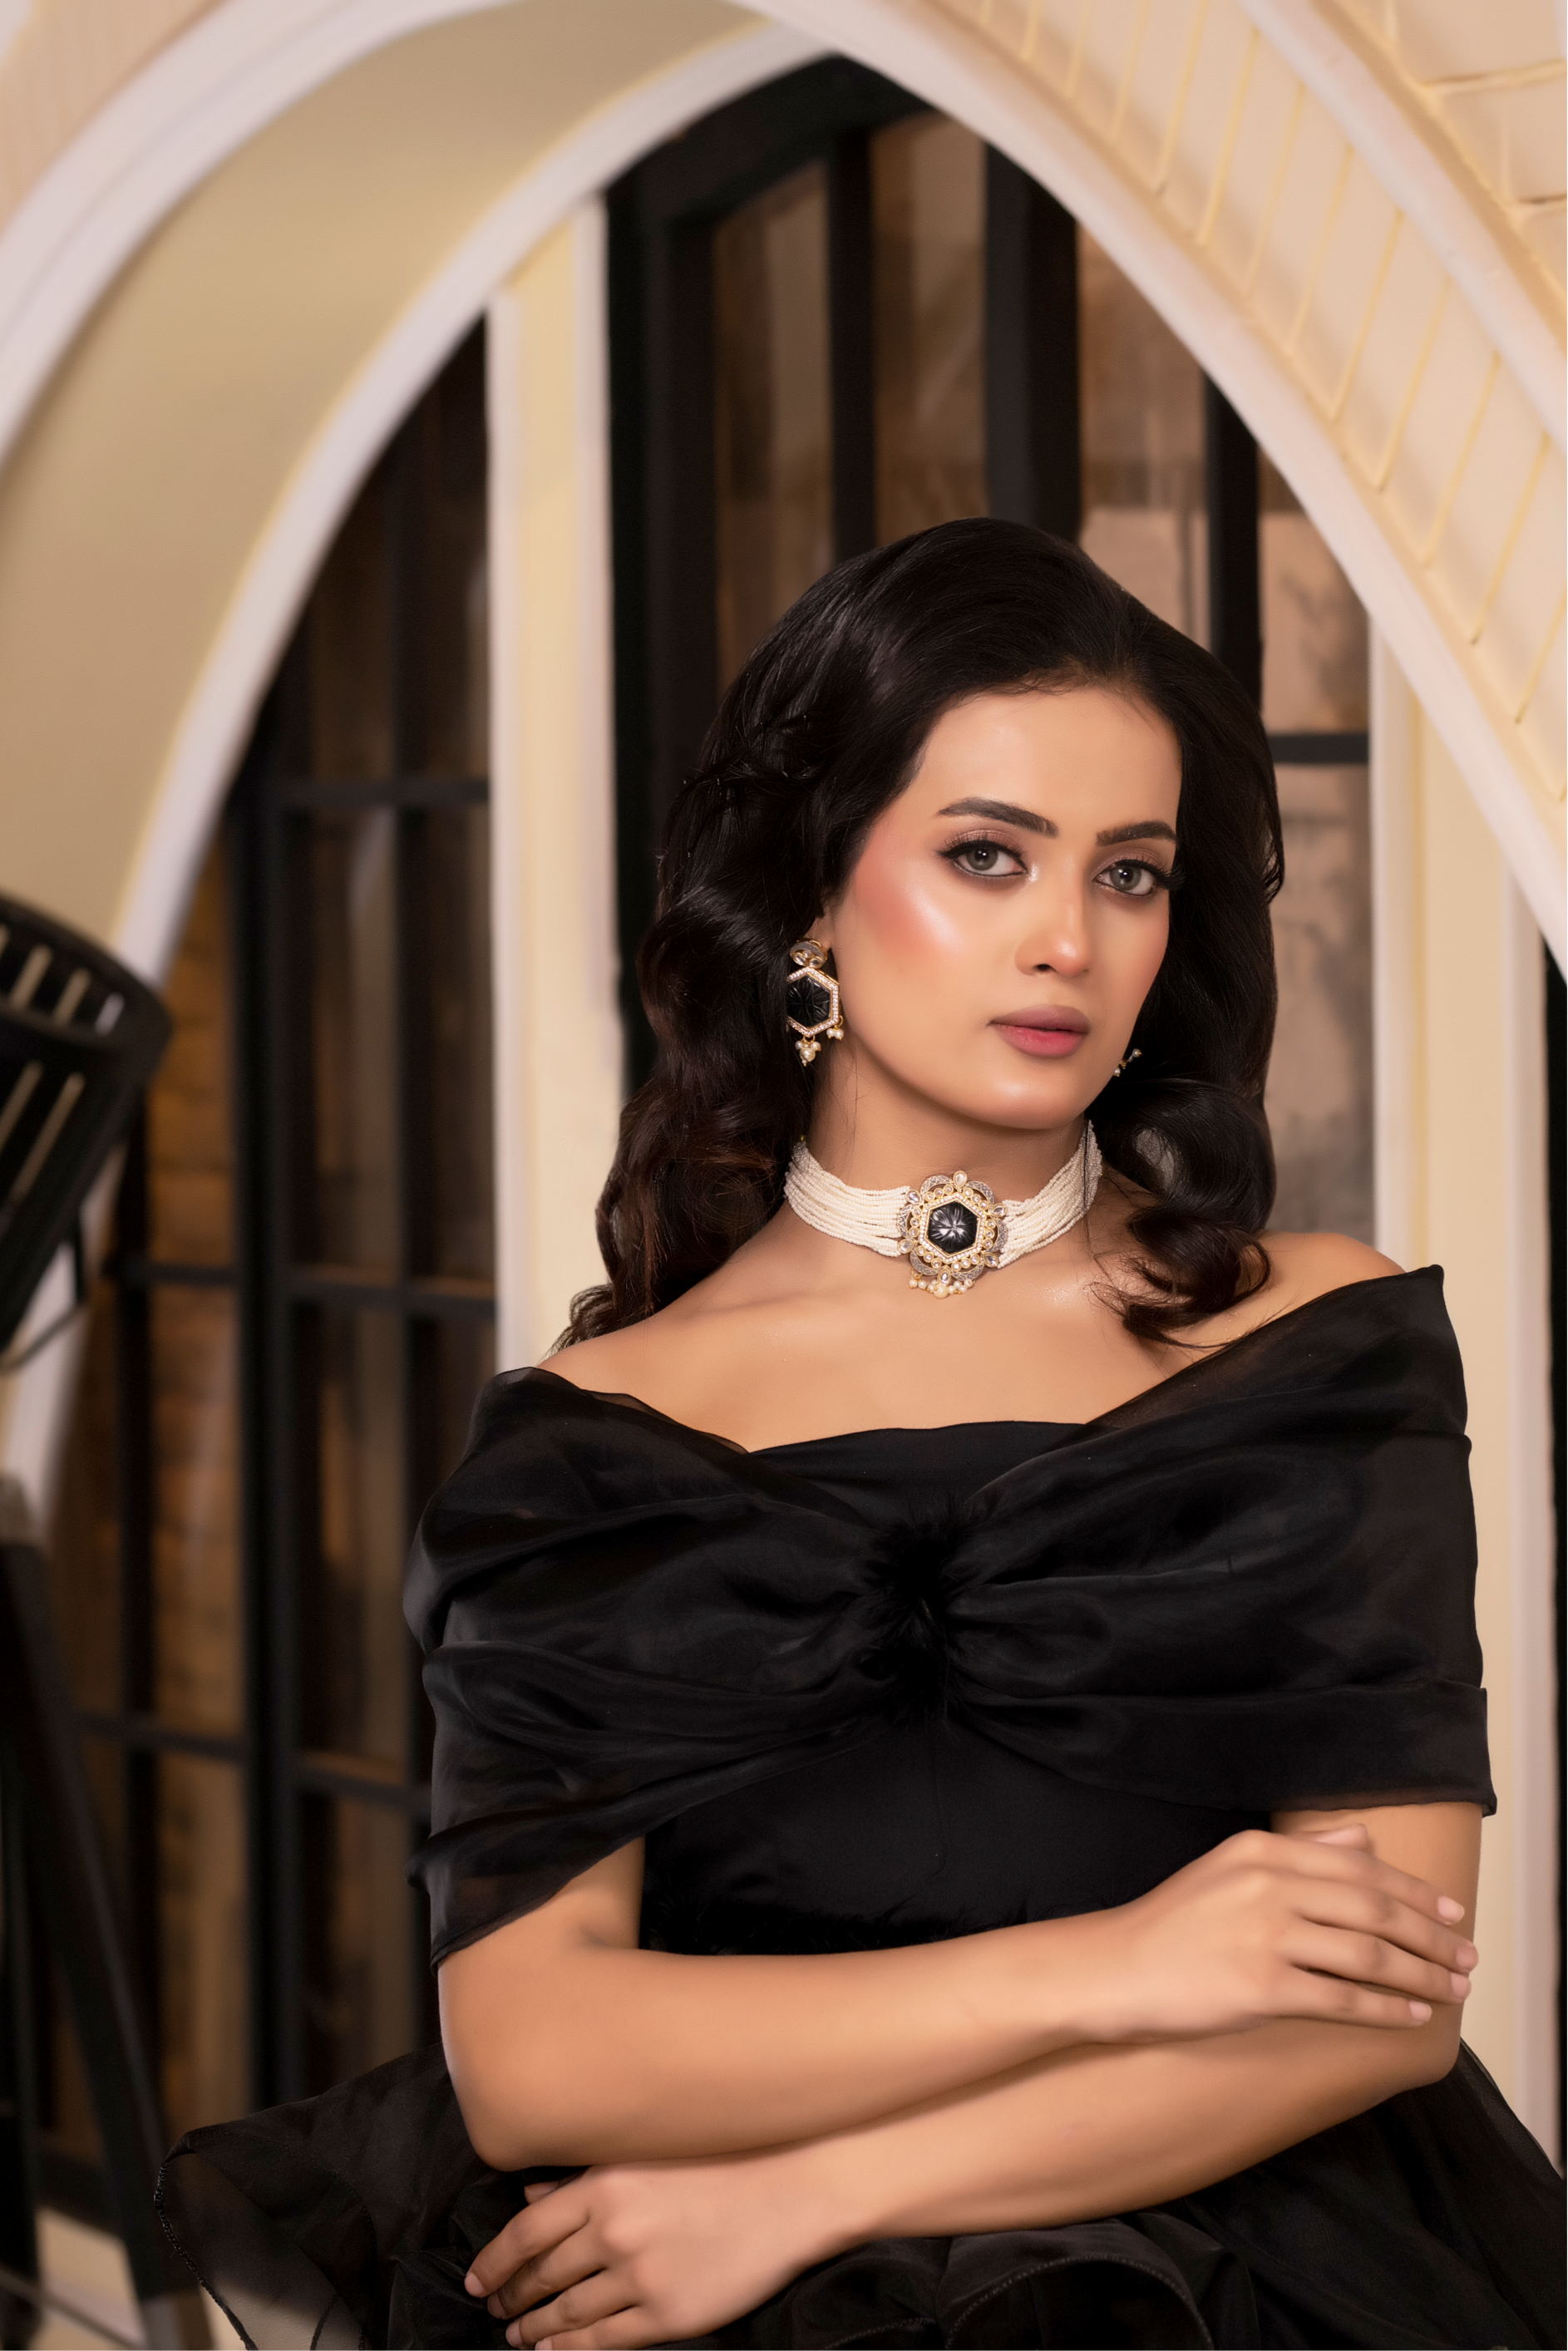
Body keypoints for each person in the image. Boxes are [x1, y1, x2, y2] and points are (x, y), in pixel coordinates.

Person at [160, 520, 1563, 2351]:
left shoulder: (1308, 1338)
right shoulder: (596, 1437)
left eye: (1129, 874)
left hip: (1266, 2286)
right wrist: (1123, 1963)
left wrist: (811, 2191)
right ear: (812, 895)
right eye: (986, 856)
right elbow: (533, 2056)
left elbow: (1374, 2006)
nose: (1067, 939)